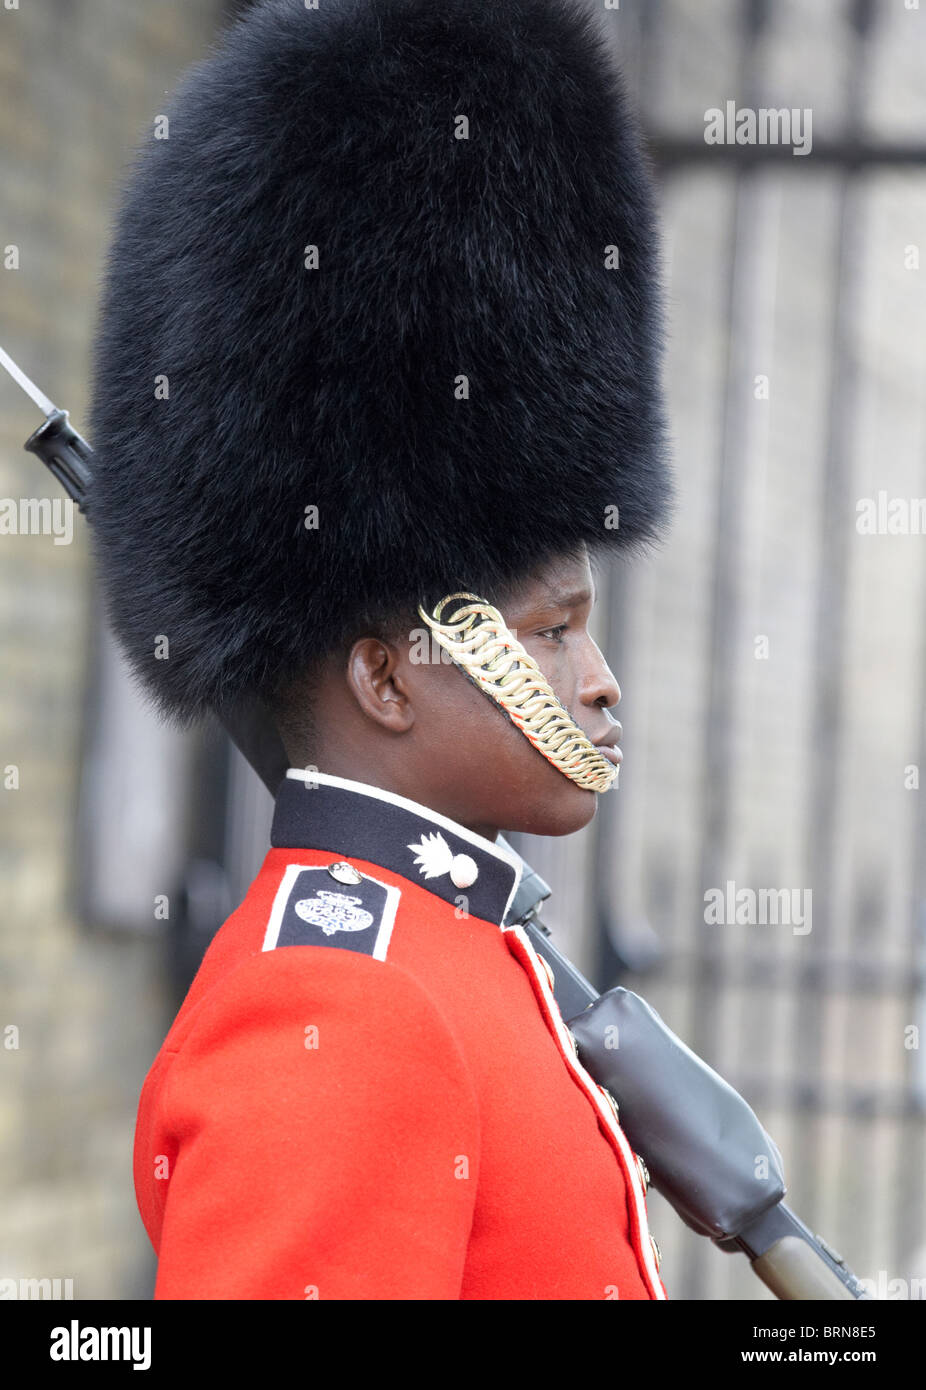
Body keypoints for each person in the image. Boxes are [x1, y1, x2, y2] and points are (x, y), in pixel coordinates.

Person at [88, 0, 674, 1299]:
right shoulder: (341, 1010)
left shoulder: (460, 950)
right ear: (387, 673)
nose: (597, 677)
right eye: (552, 629)